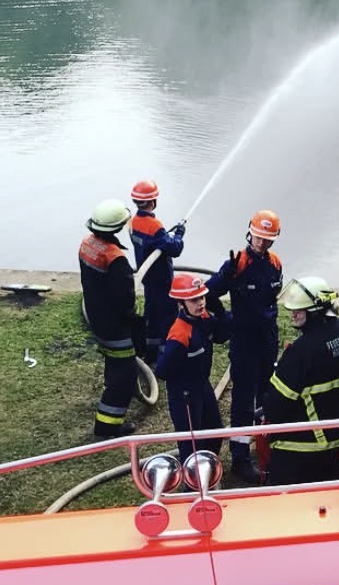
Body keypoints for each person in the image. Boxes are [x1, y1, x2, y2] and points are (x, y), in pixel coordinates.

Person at [262, 276, 339, 486]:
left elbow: (275, 406)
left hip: (307, 452)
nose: (293, 314)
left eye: (299, 310)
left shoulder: (300, 353)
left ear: (315, 311)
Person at [204, 209, 284, 482]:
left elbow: (272, 298)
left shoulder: (275, 263)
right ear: (249, 233)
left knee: (267, 393)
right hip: (244, 339)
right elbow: (208, 292)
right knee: (243, 399)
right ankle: (240, 457)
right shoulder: (237, 263)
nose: (261, 243)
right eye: (258, 237)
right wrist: (226, 318)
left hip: (267, 336)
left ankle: (265, 442)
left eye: (267, 238)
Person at [79, 198, 145, 438]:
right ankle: (107, 426)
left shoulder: (87, 244)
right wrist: (135, 321)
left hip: (97, 319)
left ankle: (113, 390)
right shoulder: (116, 259)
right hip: (115, 327)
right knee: (124, 377)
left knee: (115, 365)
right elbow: (124, 300)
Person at [156, 272, 228, 464]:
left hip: (202, 385)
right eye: (194, 300)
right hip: (184, 394)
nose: (200, 303)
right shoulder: (180, 334)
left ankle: (208, 469)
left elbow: (221, 335)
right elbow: (162, 370)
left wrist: (221, 313)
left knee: (215, 431)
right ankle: (193, 478)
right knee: (192, 443)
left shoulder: (204, 318)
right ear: (181, 304)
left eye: (202, 297)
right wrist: (183, 374)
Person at [128, 179, 186, 366]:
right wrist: (179, 234)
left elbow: (155, 243)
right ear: (153, 201)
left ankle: (150, 354)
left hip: (147, 278)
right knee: (167, 318)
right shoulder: (155, 226)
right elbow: (175, 249)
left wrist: (166, 237)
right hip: (162, 280)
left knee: (151, 316)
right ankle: (164, 359)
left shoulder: (132, 222)